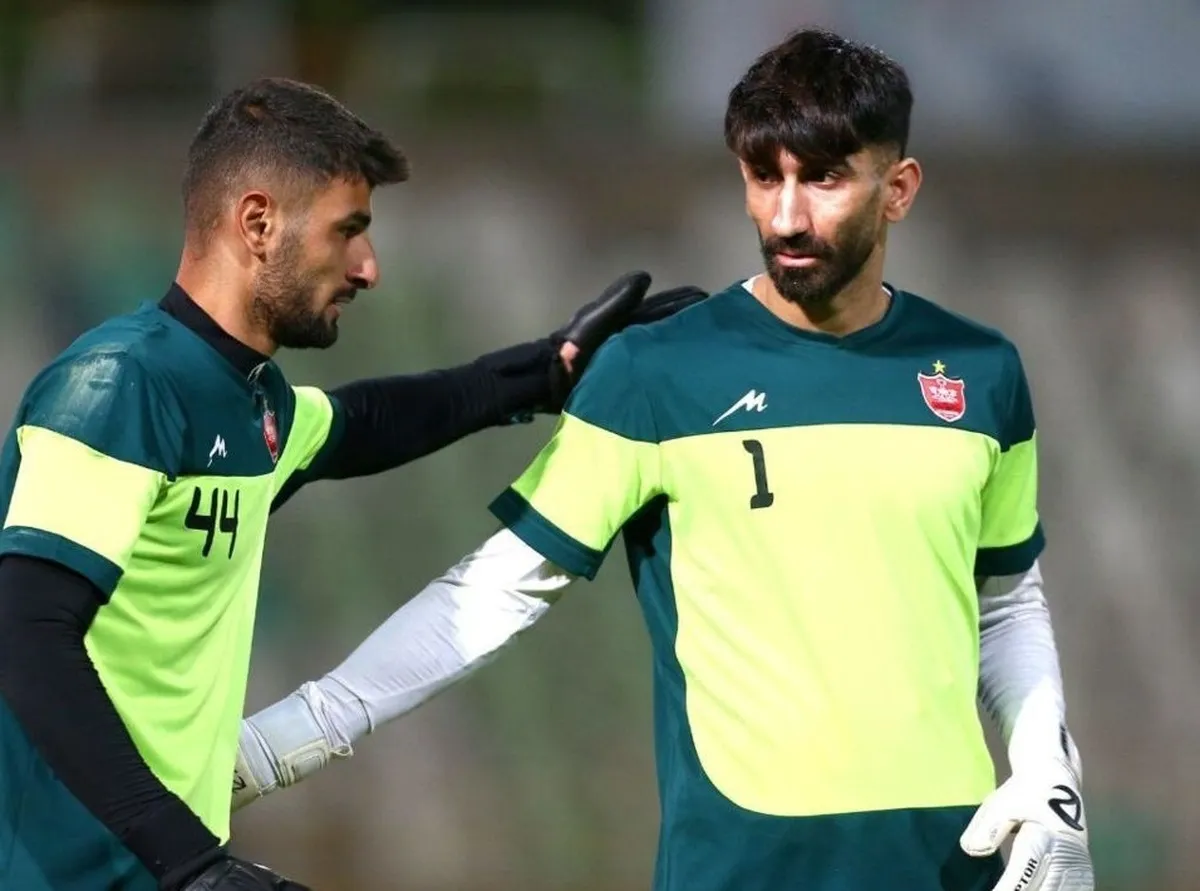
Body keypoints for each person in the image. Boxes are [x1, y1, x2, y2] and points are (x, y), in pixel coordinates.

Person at [231, 29, 1096, 891]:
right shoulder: (657, 371)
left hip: (953, 867)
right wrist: (279, 743)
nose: (786, 217)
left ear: (898, 188)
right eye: (765, 177)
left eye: (824, 179)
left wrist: (1049, 775)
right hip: (742, 870)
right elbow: (496, 591)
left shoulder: (981, 371)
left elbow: (1007, 602)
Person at [0, 77, 704, 891]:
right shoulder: (116, 385)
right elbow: (26, 631)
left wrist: (545, 370)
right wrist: (191, 865)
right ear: (258, 223)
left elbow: (368, 422)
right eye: (348, 231)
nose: (368, 269)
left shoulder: (250, 400)